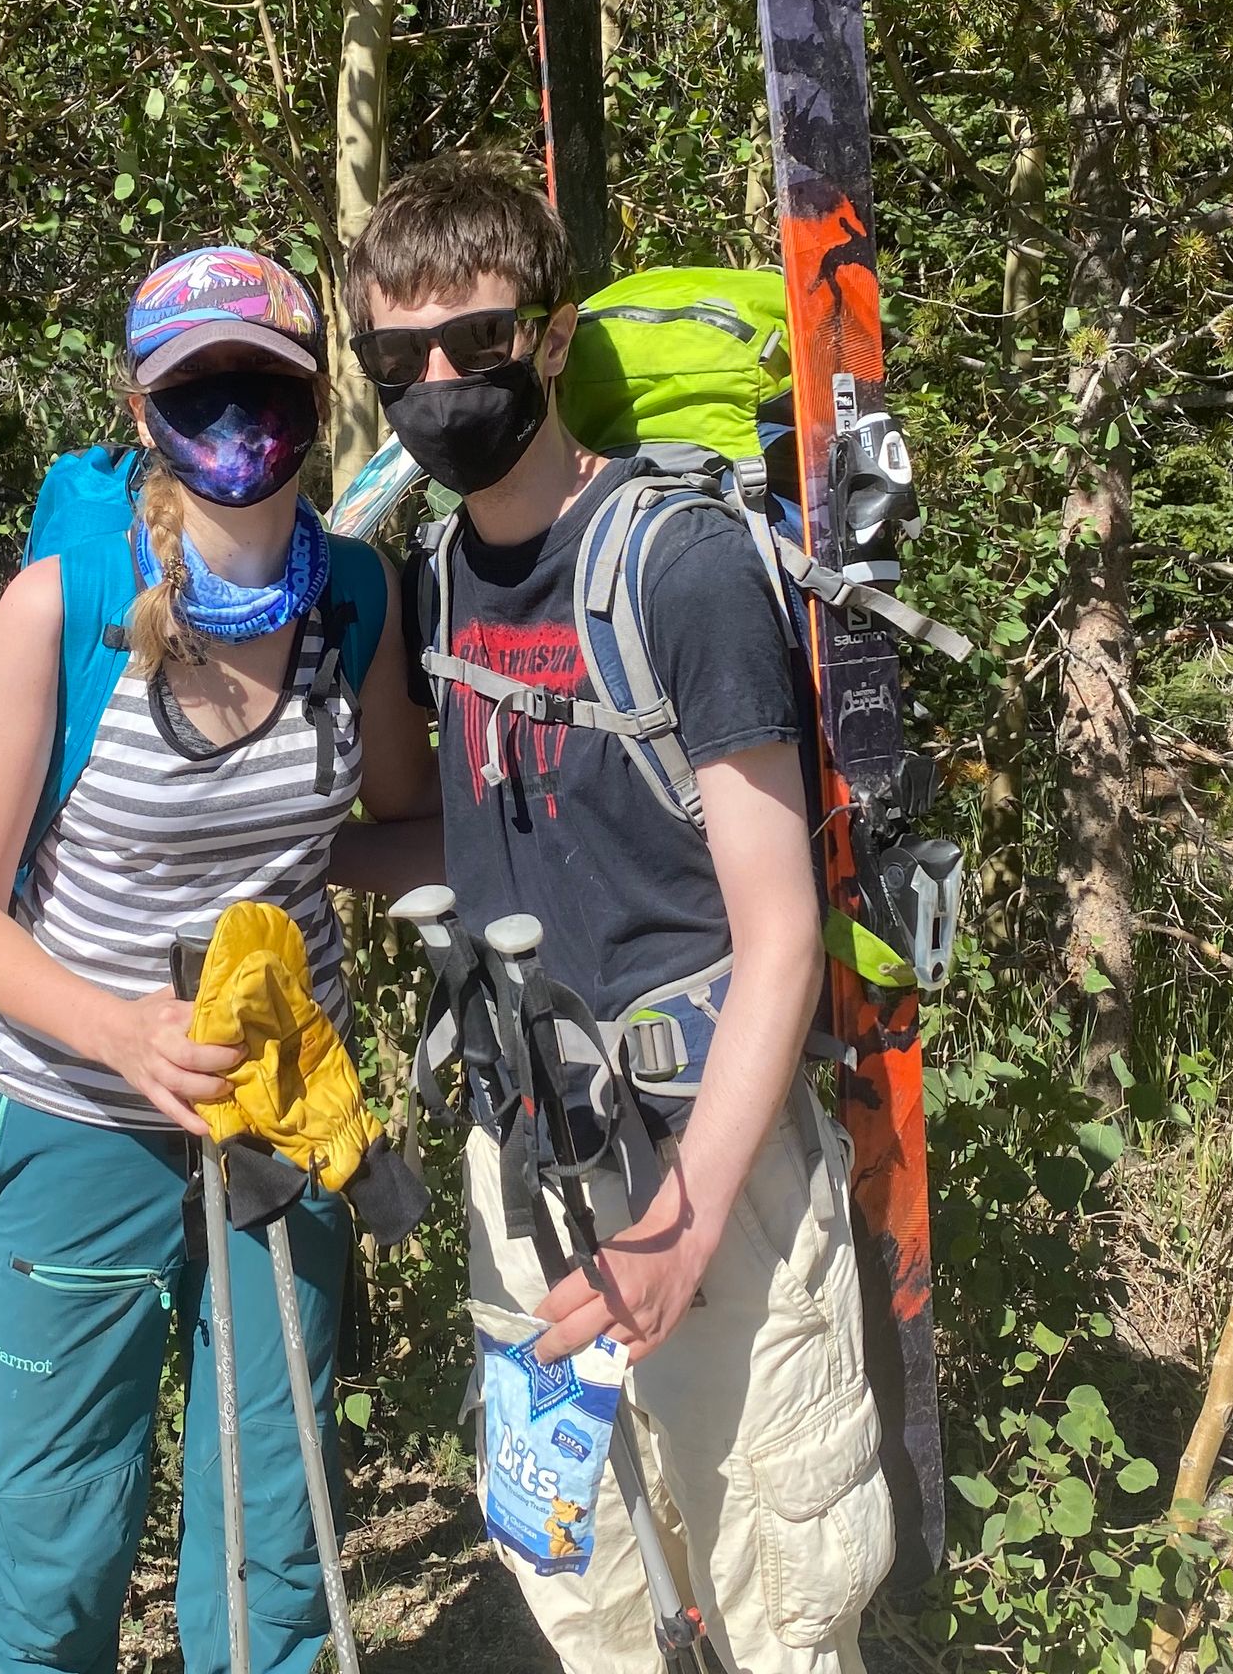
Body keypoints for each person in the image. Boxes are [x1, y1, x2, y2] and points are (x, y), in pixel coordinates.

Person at [344, 155, 895, 1674]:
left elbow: (775, 927)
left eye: (479, 344)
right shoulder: (440, 576)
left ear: (558, 334)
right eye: (400, 361)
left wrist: (679, 1221)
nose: (442, 384)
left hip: (702, 1175)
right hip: (521, 1161)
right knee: (585, 1600)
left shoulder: (680, 567)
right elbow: (455, 840)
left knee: (781, 1604)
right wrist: (285, 861)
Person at [0, 245, 437, 1674]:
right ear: (143, 409)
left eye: (264, 385)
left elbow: (395, 827)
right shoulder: (61, 605)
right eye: (195, 389)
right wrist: (125, 1034)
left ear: (317, 399)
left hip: (284, 1112)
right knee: (60, 1549)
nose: (235, 422)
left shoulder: (355, 597)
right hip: (72, 1120)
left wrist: (571, 832)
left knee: (273, 1545)